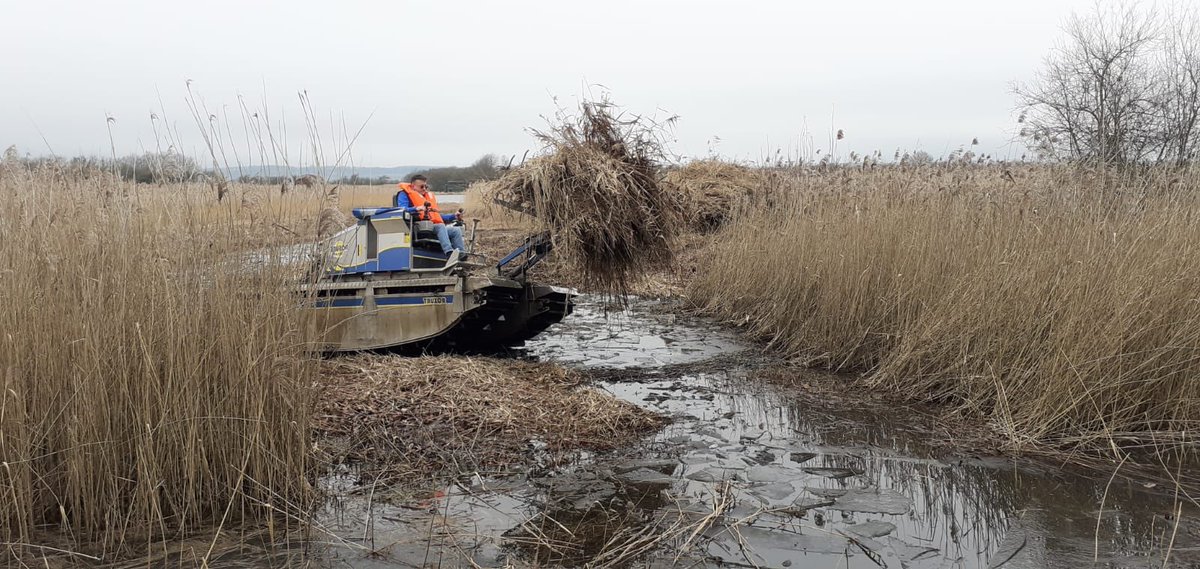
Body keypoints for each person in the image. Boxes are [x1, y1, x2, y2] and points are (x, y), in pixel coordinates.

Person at [394, 175, 467, 257]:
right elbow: (402, 210)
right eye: (422, 186)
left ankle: (461, 254)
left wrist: (454, 216)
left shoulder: (425, 197)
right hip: (418, 227)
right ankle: (449, 252)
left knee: (455, 230)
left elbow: (436, 216)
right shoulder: (404, 194)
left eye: (426, 186)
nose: (424, 188)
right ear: (413, 186)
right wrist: (416, 209)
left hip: (432, 226)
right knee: (440, 226)